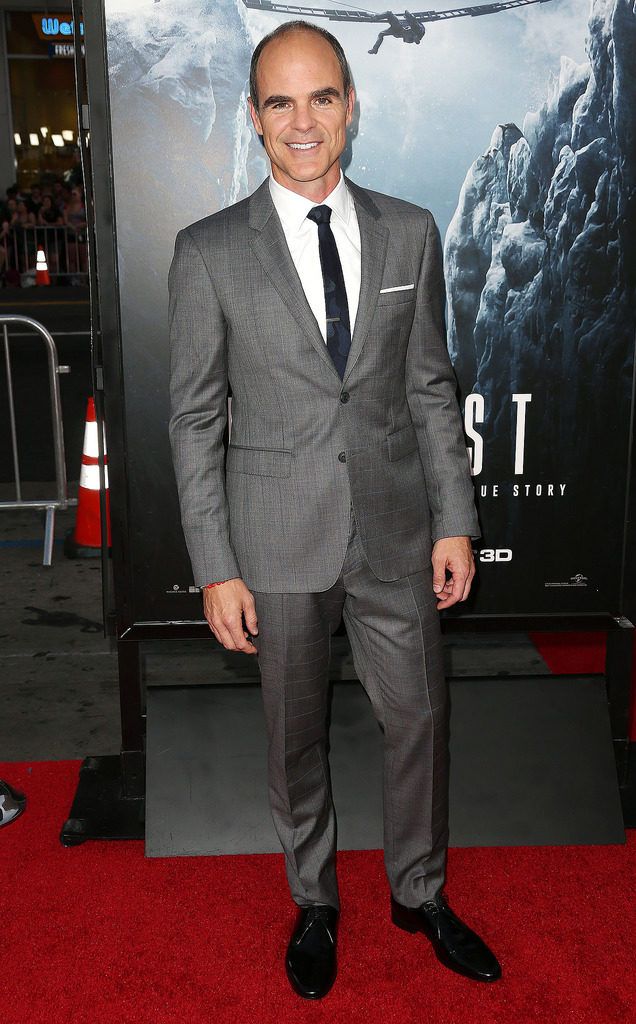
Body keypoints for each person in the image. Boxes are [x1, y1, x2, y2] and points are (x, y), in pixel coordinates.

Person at [169, 21, 501, 1000]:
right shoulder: (210, 250)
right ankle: (315, 900)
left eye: (322, 97)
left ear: (352, 107)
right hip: (274, 538)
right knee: (292, 732)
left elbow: (431, 387)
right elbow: (193, 421)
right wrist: (216, 562)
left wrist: (456, 517)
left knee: (418, 718)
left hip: (399, 526)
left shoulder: (410, 230)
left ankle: (419, 892)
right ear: (256, 117)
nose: (303, 120)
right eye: (281, 101)